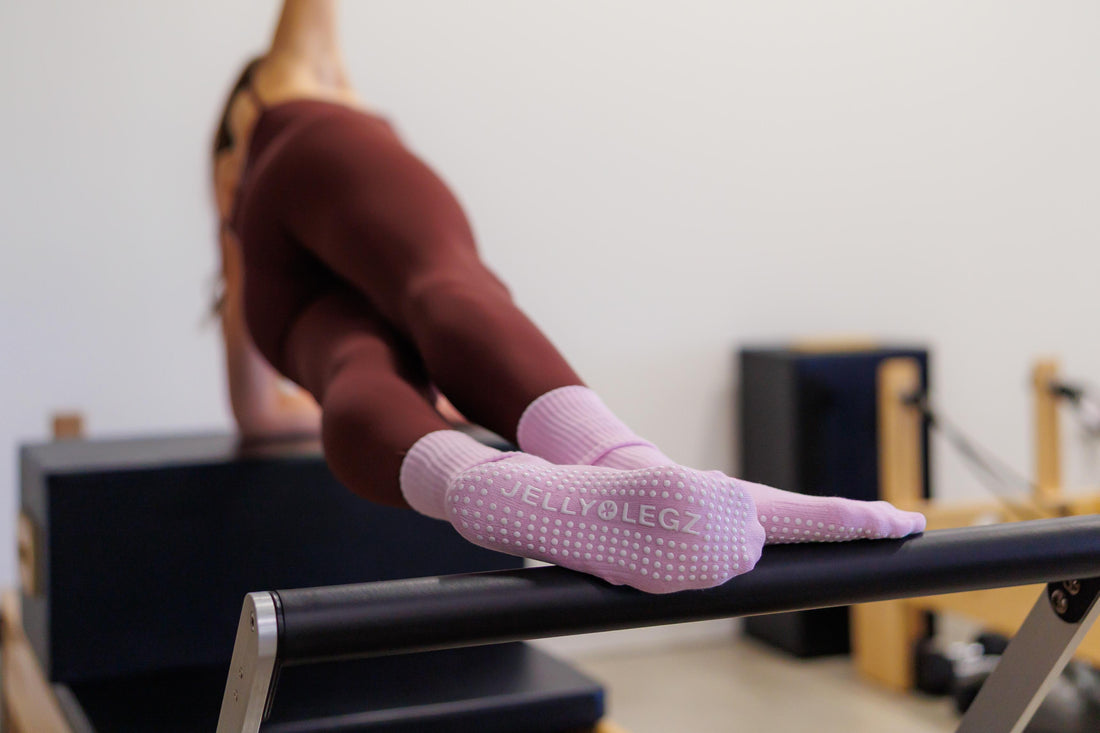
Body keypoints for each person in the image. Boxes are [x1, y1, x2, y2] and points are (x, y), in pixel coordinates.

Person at [212, 0, 925, 594]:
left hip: (286, 306)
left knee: (353, 366)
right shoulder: (299, 87)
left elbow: (254, 410)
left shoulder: (236, 212)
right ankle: (636, 466)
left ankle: (472, 478)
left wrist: (421, 415)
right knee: (441, 282)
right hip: (323, 156)